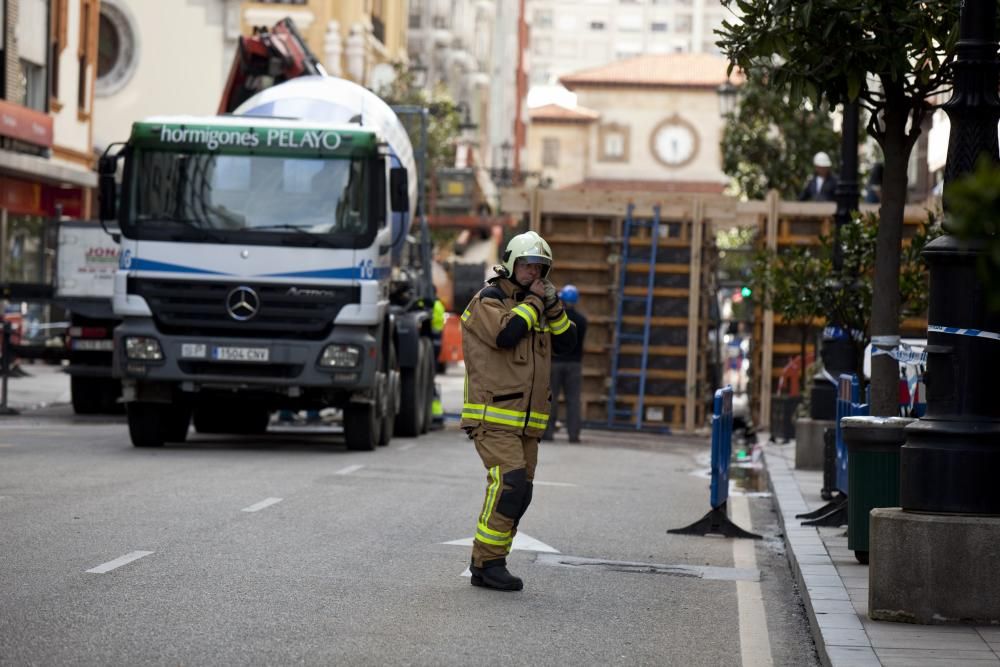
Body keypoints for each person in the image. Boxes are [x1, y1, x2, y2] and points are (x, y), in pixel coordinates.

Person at [460, 231, 577, 591]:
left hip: (526, 422)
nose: (534, 274)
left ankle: (490, 562)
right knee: (508, 485)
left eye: (541, 268)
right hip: (493, 417)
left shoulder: (538, 303)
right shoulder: (488, 300)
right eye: (527, 266)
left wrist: (554, 306)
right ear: (511, 264)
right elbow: (507, 335)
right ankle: (488, 562)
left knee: (521, 493)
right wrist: (537, 304)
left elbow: (568, 343)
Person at [542, 284, 588, 443]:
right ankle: (574, 435)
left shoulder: (555, 318)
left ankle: (548, 433)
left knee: (550, 399)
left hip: (555, 363)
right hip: (574, 364)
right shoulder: (582, 320)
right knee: (573, 400)